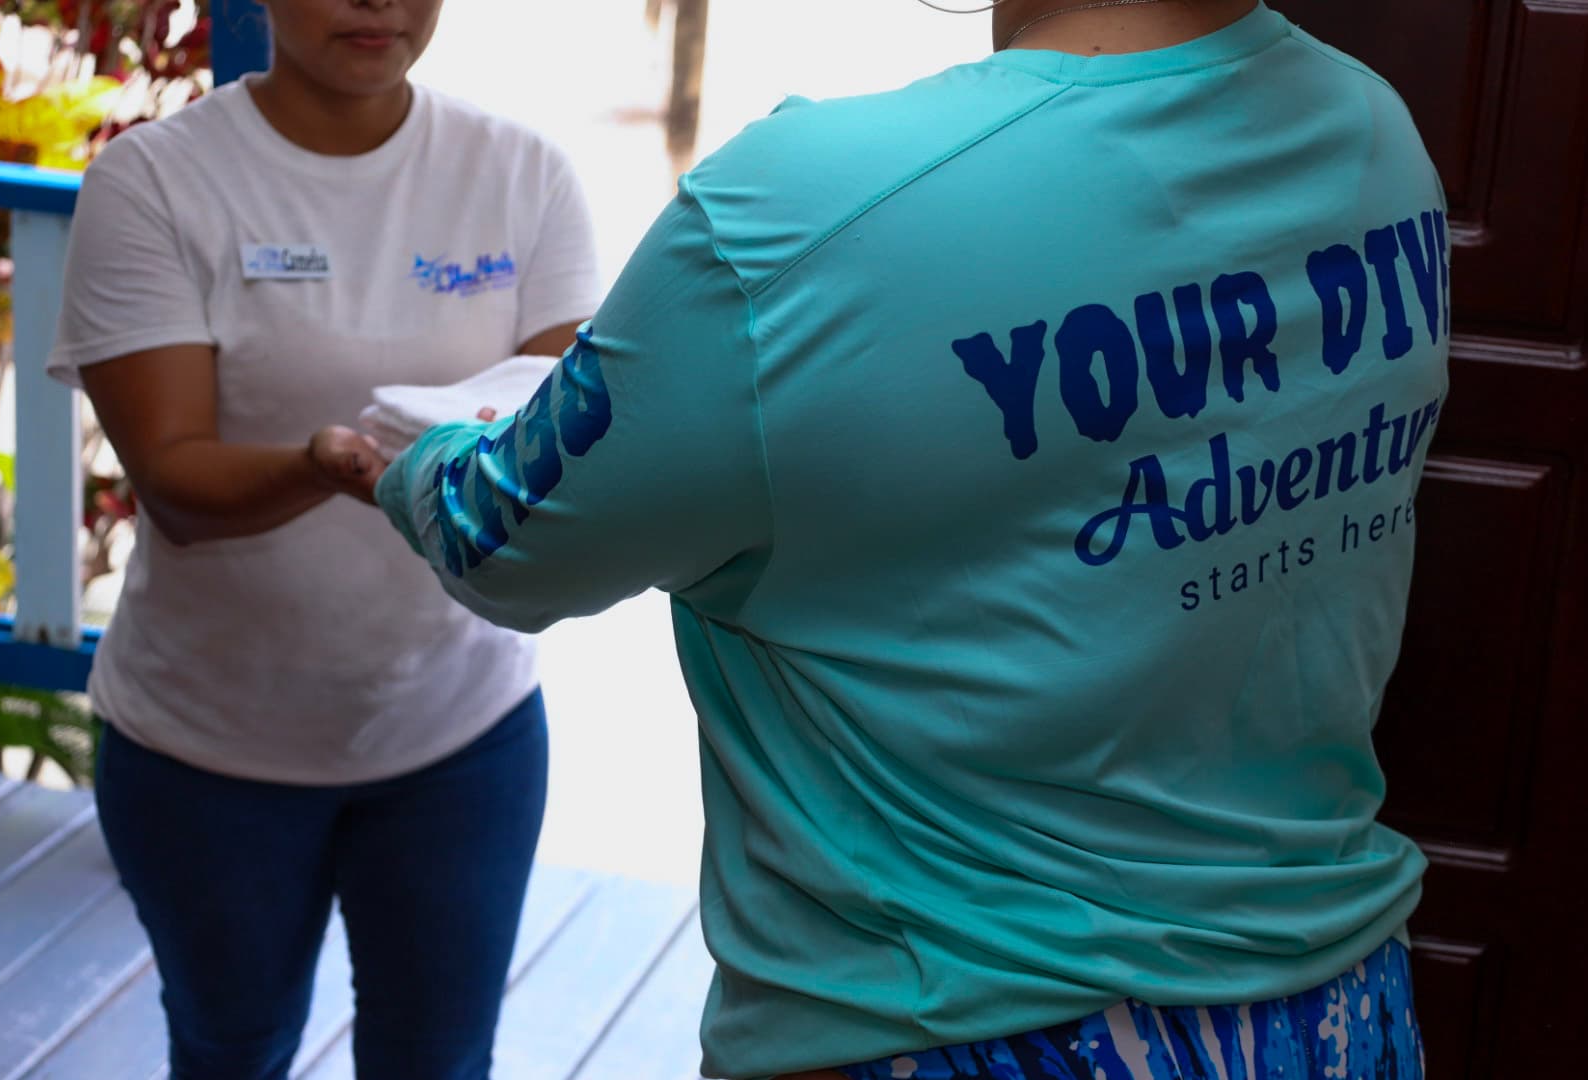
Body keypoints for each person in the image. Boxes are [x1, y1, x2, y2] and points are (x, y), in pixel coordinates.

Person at [377, 0, 1447, 1077]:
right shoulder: (1374, 131)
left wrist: (398, 456)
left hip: (955, 1027)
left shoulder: (800, 215)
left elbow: (504, 540)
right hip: (1341, 1009)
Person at [46, 1, 599, 1076]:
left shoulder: (525, 173)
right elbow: (176, 483)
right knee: (229, 1049)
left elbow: (560, 434)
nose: (377, 1)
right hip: (205, 750)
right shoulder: (155, 181)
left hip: (460, 735)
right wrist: (325, 464)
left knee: (438, 1061)